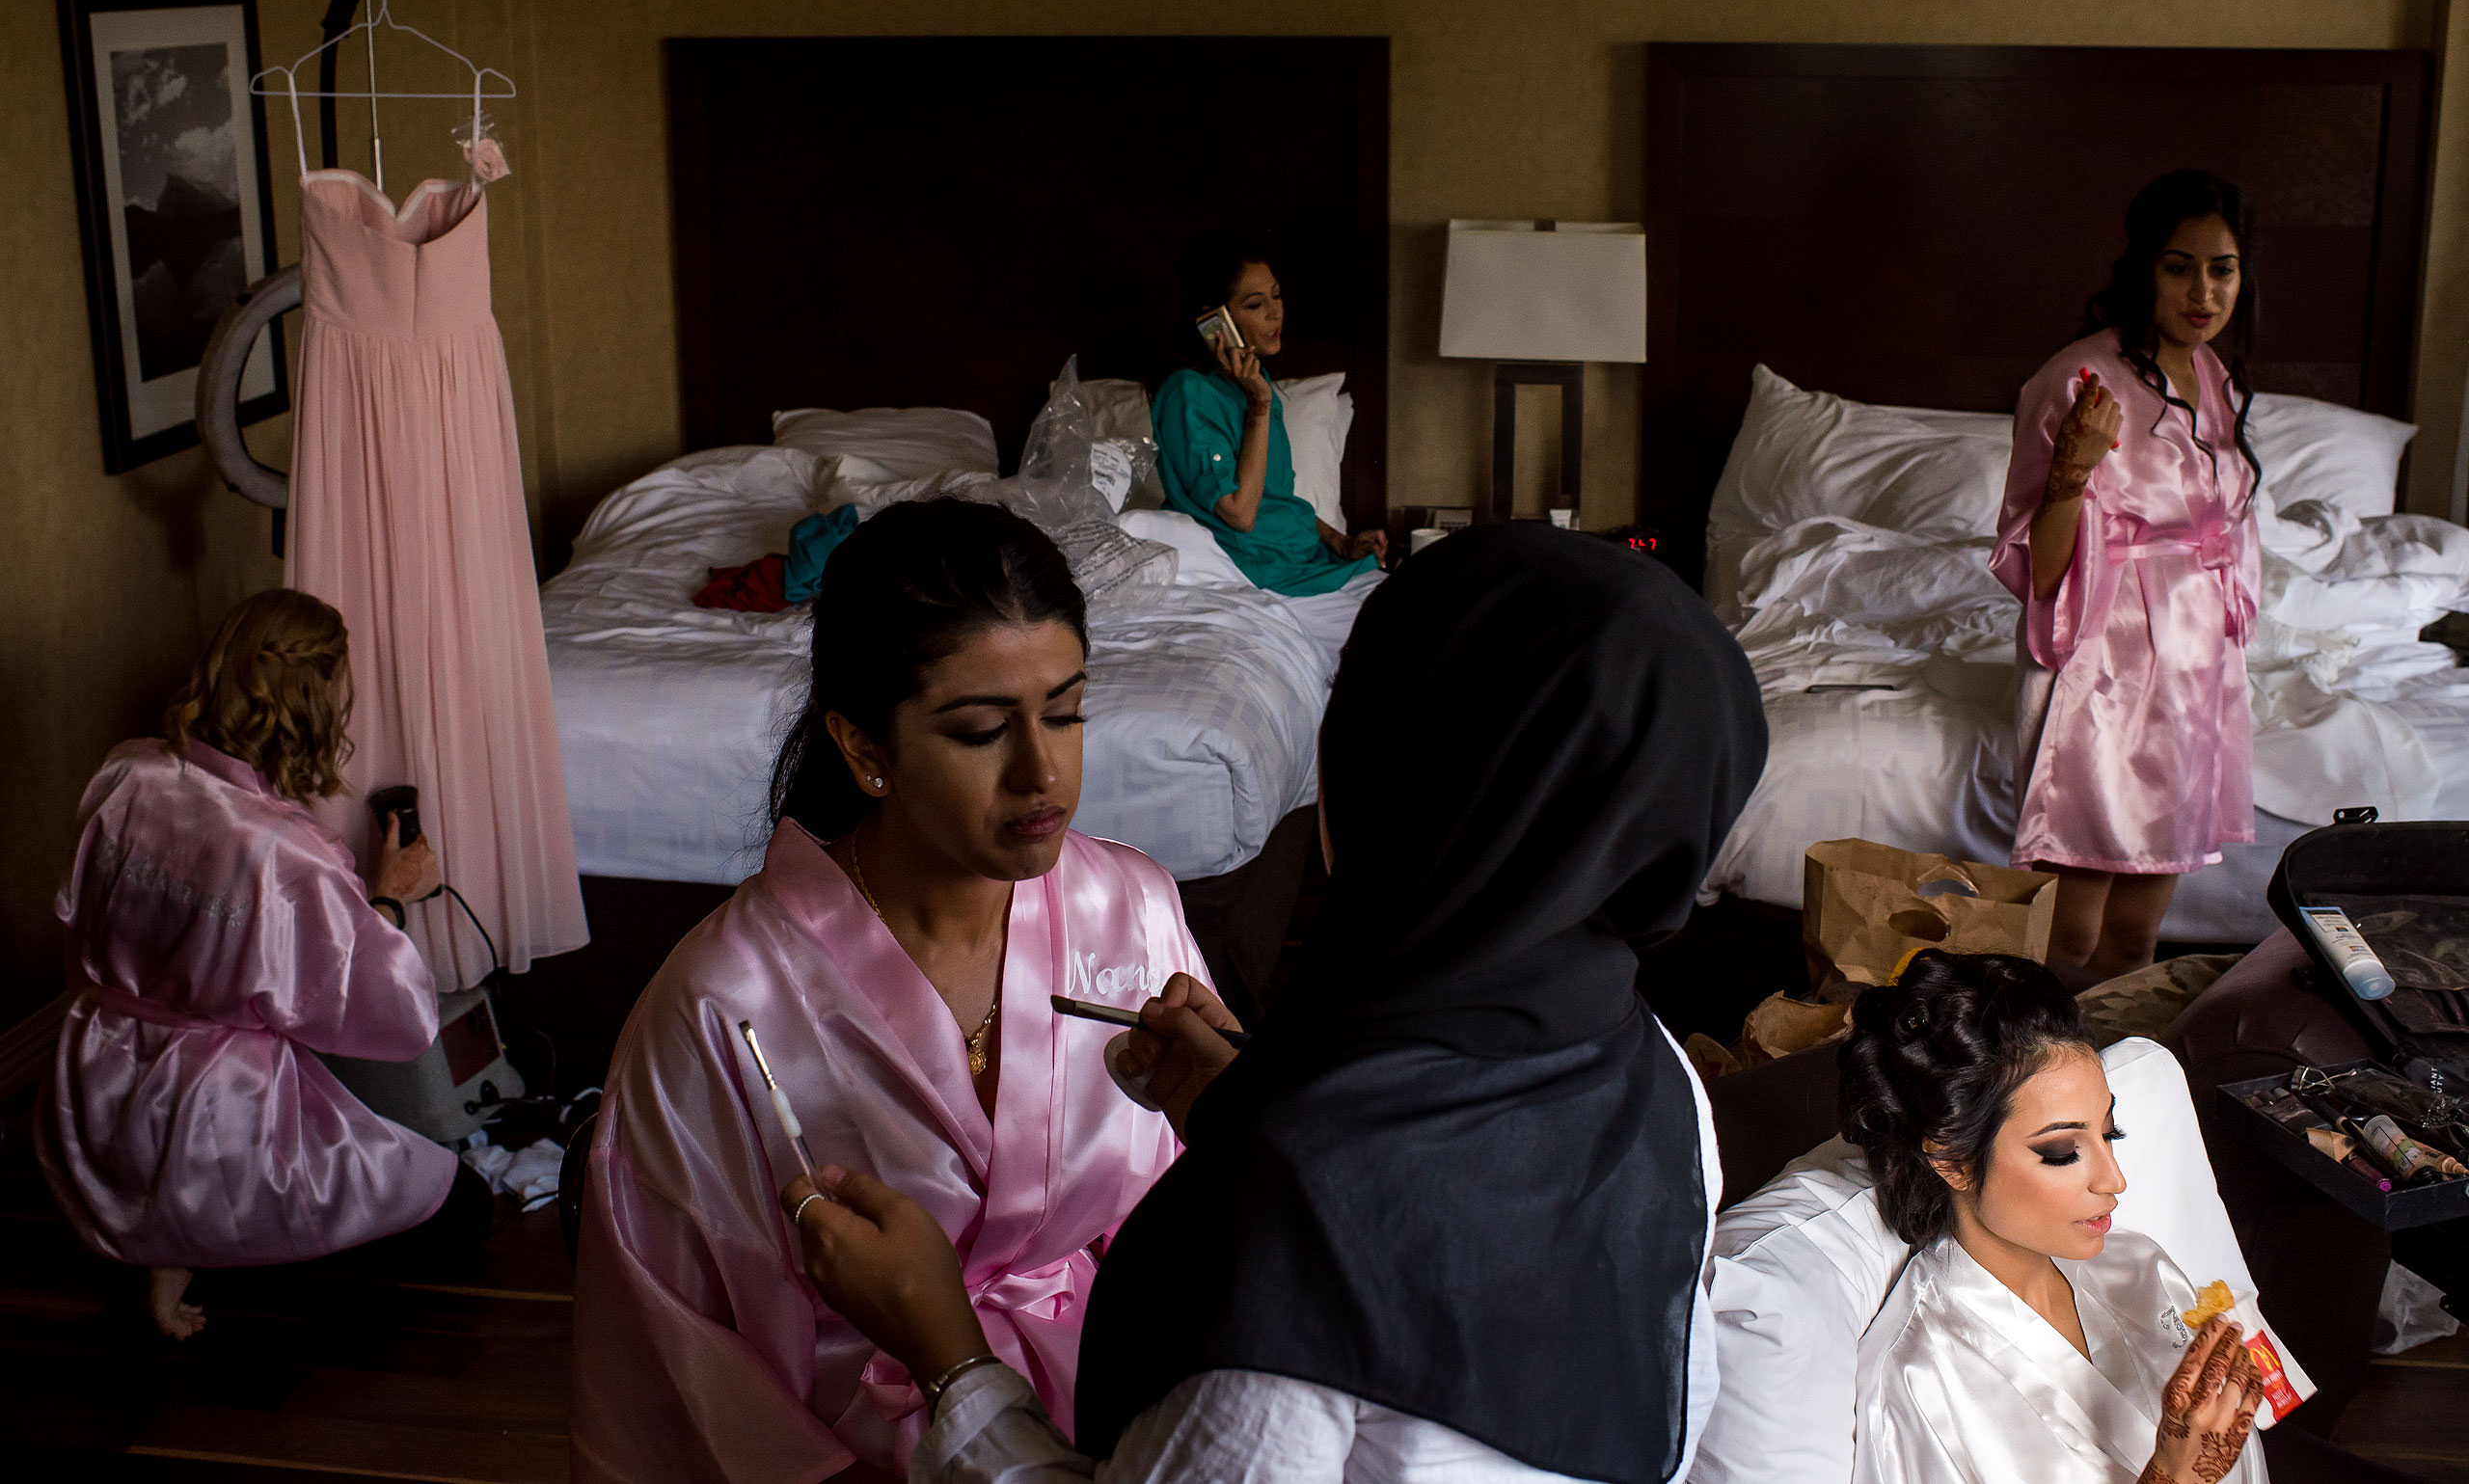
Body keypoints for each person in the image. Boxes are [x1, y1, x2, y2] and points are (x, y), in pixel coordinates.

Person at [773, 525, 1769, 1483]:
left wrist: (948, 1353)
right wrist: (1257, 1109)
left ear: (1397, 778)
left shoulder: (1284, 1235)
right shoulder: (1659, 1079)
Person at [569, 499, 1208, 1484]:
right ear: (866, 747)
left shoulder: (1137, 910)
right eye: (982, 729)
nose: (1043, 769)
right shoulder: (723, 1003)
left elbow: (1204, 1221)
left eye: (1066, 709)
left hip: (1131, 1411)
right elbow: (673, 1350)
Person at [39, 589, 487, 1342]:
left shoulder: (127, 774)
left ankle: (169, 1235)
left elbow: (74, 922)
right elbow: (396, 1016)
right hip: (207, 1114)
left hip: (90, 1088)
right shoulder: (287, 854)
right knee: (464, 1204)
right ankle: (197, 1234)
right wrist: (389, 899)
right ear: (313, 709)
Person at [1840, 951, 2267, 1484]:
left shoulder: (2142, 1267)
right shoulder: (1917, 1380)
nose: (2113, 1179)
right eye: (2064, 1151)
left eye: (2110, 1134)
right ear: (1952, 1160)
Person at [1990, 171, 2265, 979]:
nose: (2204, 290)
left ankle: (2115, 1092)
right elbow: (2038, 568)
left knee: (2139, 939)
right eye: (2181, 267)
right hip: (2104, 671)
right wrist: (2071, 471)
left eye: (2223, 269)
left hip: (2191, 672)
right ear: (2144, 267)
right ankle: (2035, 1083)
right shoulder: (2078, 379)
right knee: (2067, 937)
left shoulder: (2215, 380)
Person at [1153, 232, 1387, 672]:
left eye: (1277, 297)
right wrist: (1258, 406)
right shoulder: (1189, 394)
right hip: (1267, 578)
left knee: (1443, 615)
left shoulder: (1257, 390)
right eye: (1255, 304)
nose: (1276, 313)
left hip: (1314, 564)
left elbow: (1277, 497)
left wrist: (1341, 542)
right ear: (1213, 320)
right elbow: (1241, 513)